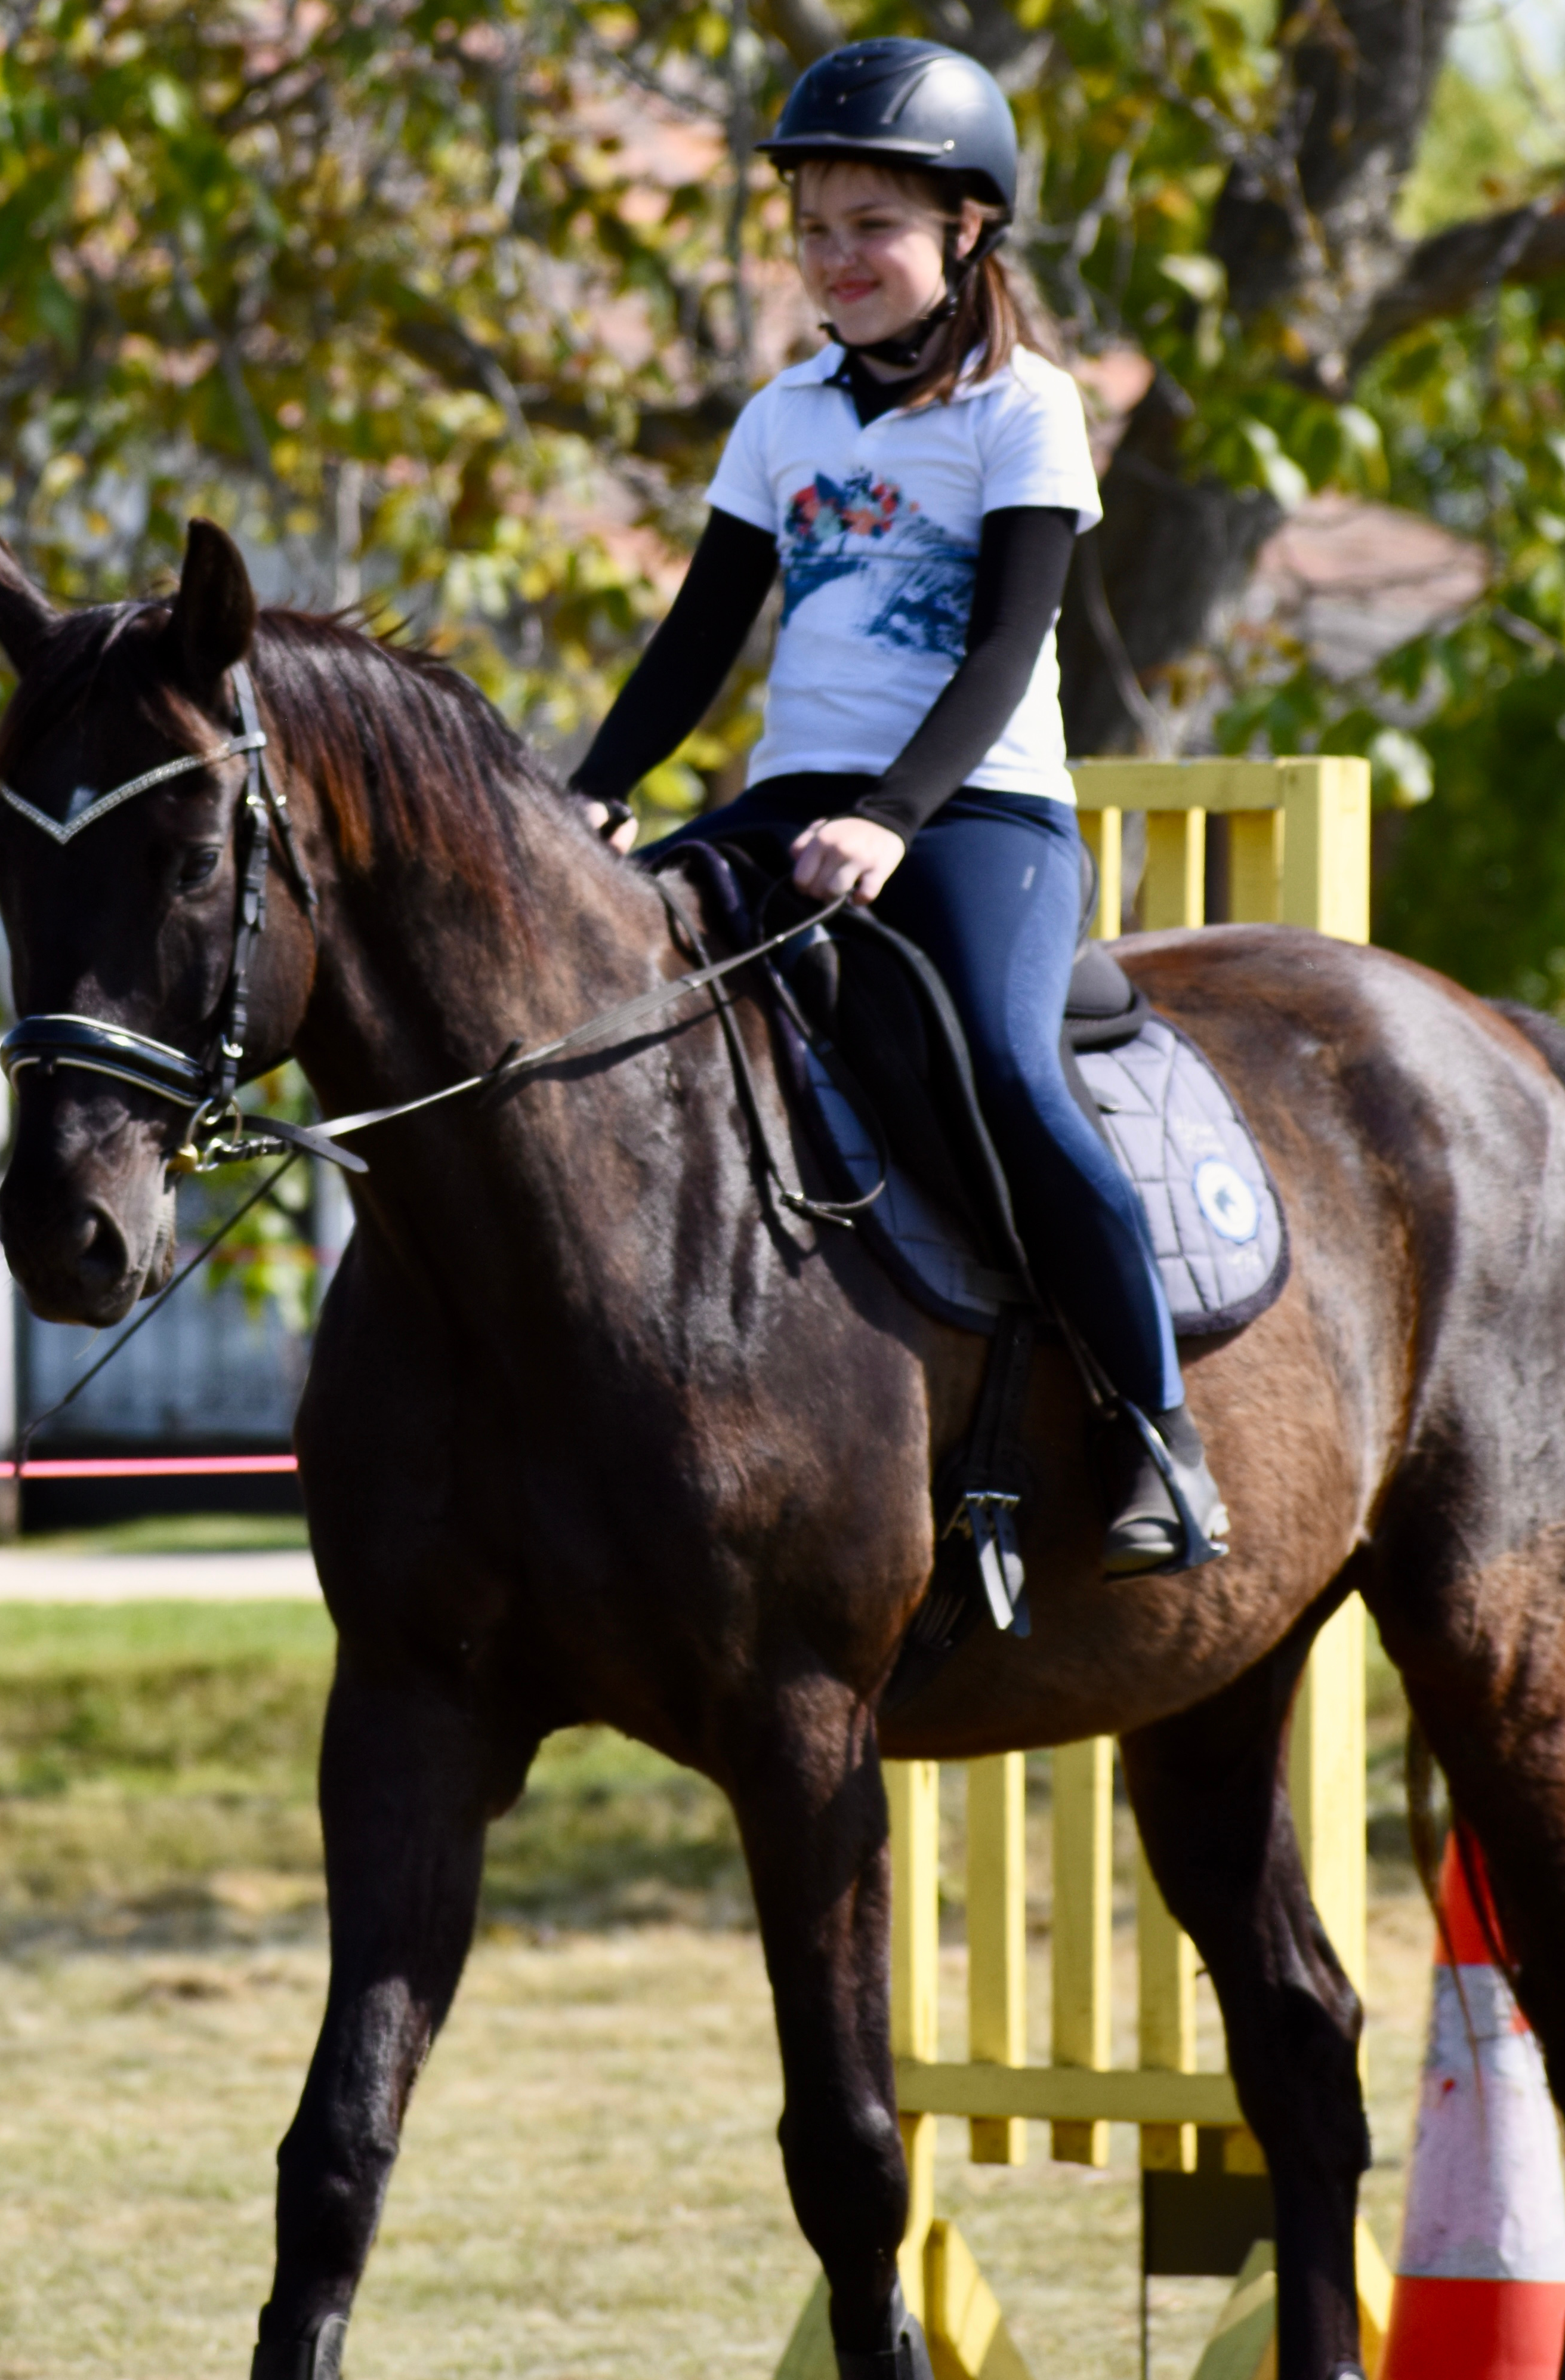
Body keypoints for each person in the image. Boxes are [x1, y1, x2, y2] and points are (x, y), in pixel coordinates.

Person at [571, 36, 1227, 1578]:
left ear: (967, 231)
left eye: (872, 225)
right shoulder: (781, 418)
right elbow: (696, 638)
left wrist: (893, 817)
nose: (834, 257)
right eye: (812, 228)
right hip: (786, 801)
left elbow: (1008, 648)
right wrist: (596, 792)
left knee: (1006, 1068)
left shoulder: (1027, 407)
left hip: (977, 811)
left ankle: (1154, 1422)